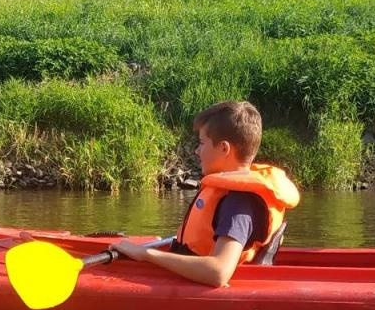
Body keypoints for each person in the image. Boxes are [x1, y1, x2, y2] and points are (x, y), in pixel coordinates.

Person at [110, 100, 300, 288]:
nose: (197, 150)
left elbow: (218, 272)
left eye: (202, 143)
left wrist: (146, 254)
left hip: (200, 288)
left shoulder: (238, 203)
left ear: (224, 148)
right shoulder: (233, 195)